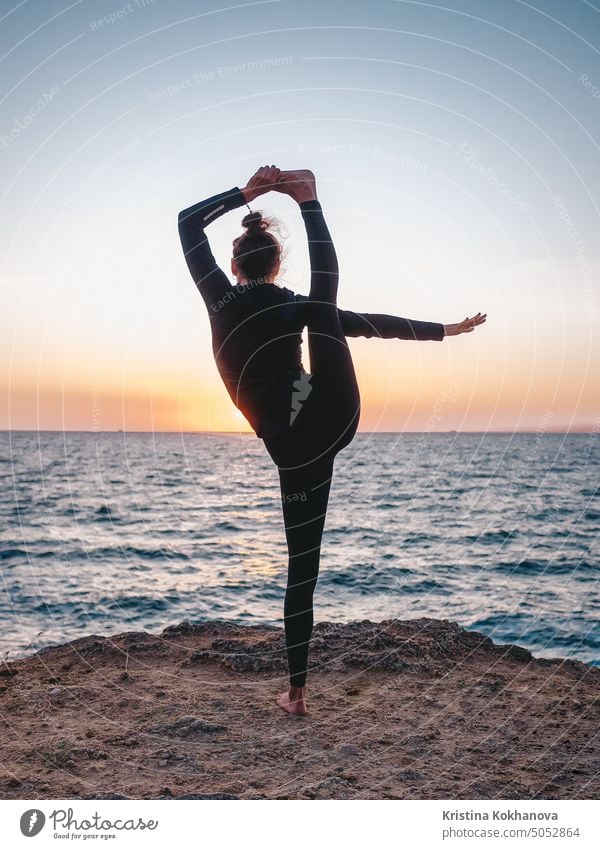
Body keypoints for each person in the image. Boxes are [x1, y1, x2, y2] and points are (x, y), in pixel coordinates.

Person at [177, 166, 486, 716]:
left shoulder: (219, 300)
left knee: (304, 566)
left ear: (232, 265)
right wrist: (445, 331)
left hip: (294, 445)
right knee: (325, 311)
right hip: (334, 420)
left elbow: (186, 224)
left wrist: (245, 194)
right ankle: (310, 202)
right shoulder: (295, 303)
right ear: (276, 264)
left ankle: (296, 694)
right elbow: (366, 322)